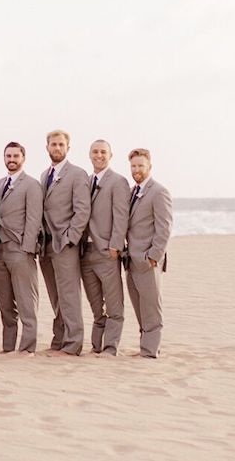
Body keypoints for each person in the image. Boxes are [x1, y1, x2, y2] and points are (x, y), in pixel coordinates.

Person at [38, 129, 90, 357]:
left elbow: (82, 210)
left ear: (68, 148)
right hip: (46, 245)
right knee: (55, 295)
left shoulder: (77, 175)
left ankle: (73, 343)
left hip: (65, 244)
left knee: (69, 295)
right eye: (53, 144)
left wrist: (71, 238)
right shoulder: (43, 175)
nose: (57, 148)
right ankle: (59, 339)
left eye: (61, 145)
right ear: (47, 147)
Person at [0, 141, 43, 354]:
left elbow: (34, 218)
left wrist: (27, 248)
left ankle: (27, 347)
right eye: (8, 156)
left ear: (23, 158)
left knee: (26, 303)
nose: (11, 160)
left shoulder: (31, 185)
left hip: (20, 249)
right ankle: (8, 346)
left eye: (15, 156)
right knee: (5, 304)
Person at [80, 140, 130, 357]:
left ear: (110, 155)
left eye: (103, 152)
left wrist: (115, 246)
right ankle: (96, 346)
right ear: (89, 155)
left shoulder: (118, 181)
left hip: (106, 251)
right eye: (95, 152)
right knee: (95, 304)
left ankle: (110, 347)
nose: (98, 155)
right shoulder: (87, 181)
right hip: (85, 253)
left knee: (113, 304)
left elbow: (121, 216)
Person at [124, 148, 173, 358]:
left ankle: (150, 351)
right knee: (139, 307)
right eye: (133, 166)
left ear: (149, 167)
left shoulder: (159, 192)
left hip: (147, 260)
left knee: (151, 308)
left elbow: (165, 228)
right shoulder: (133, 192)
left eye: (140, 166)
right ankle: (146, 346)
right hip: (131, 260)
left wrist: (153, 256)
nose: (136, 170)